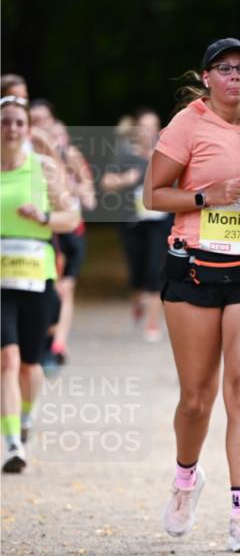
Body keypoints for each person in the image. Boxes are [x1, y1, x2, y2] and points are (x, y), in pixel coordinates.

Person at [143, 37, 240, 551]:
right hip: (194, 270)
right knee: (196, 398)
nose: (236, 76)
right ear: (206, 77)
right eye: (225, 68)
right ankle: (186, 479)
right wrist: (206, 196)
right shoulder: (188, 123)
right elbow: (154, 193)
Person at [0, 96, 78, 471]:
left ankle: (26, 417)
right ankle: (13, 443)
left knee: (31, 364)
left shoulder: (43, 168)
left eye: (18, 123)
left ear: (28, 130)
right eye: (5, 122)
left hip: (36, 276)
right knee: (7, 359)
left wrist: (43, 215)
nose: (11, 129)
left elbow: (71, 217)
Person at [101, 109, 168, 341]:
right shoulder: (125, 155)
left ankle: (152, 324)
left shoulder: (165, 154)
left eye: (153, 126)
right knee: (137, 271)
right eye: (144, 126)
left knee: (154, 269)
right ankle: (138, 301)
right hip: (131, 222)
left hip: (159, 221)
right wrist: (124, 180)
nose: (149, 131)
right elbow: (106, 182)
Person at [48, 120, 96, 364]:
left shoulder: (74, 157)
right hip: (51, 231)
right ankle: (49, 335)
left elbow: (90, 201)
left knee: (66, 290)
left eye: (61, 136)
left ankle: (59, 342)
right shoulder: (39, 163)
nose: (57, 141)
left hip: (73, 231)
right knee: (53, 289)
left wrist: (74, 188)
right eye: (52, 135)